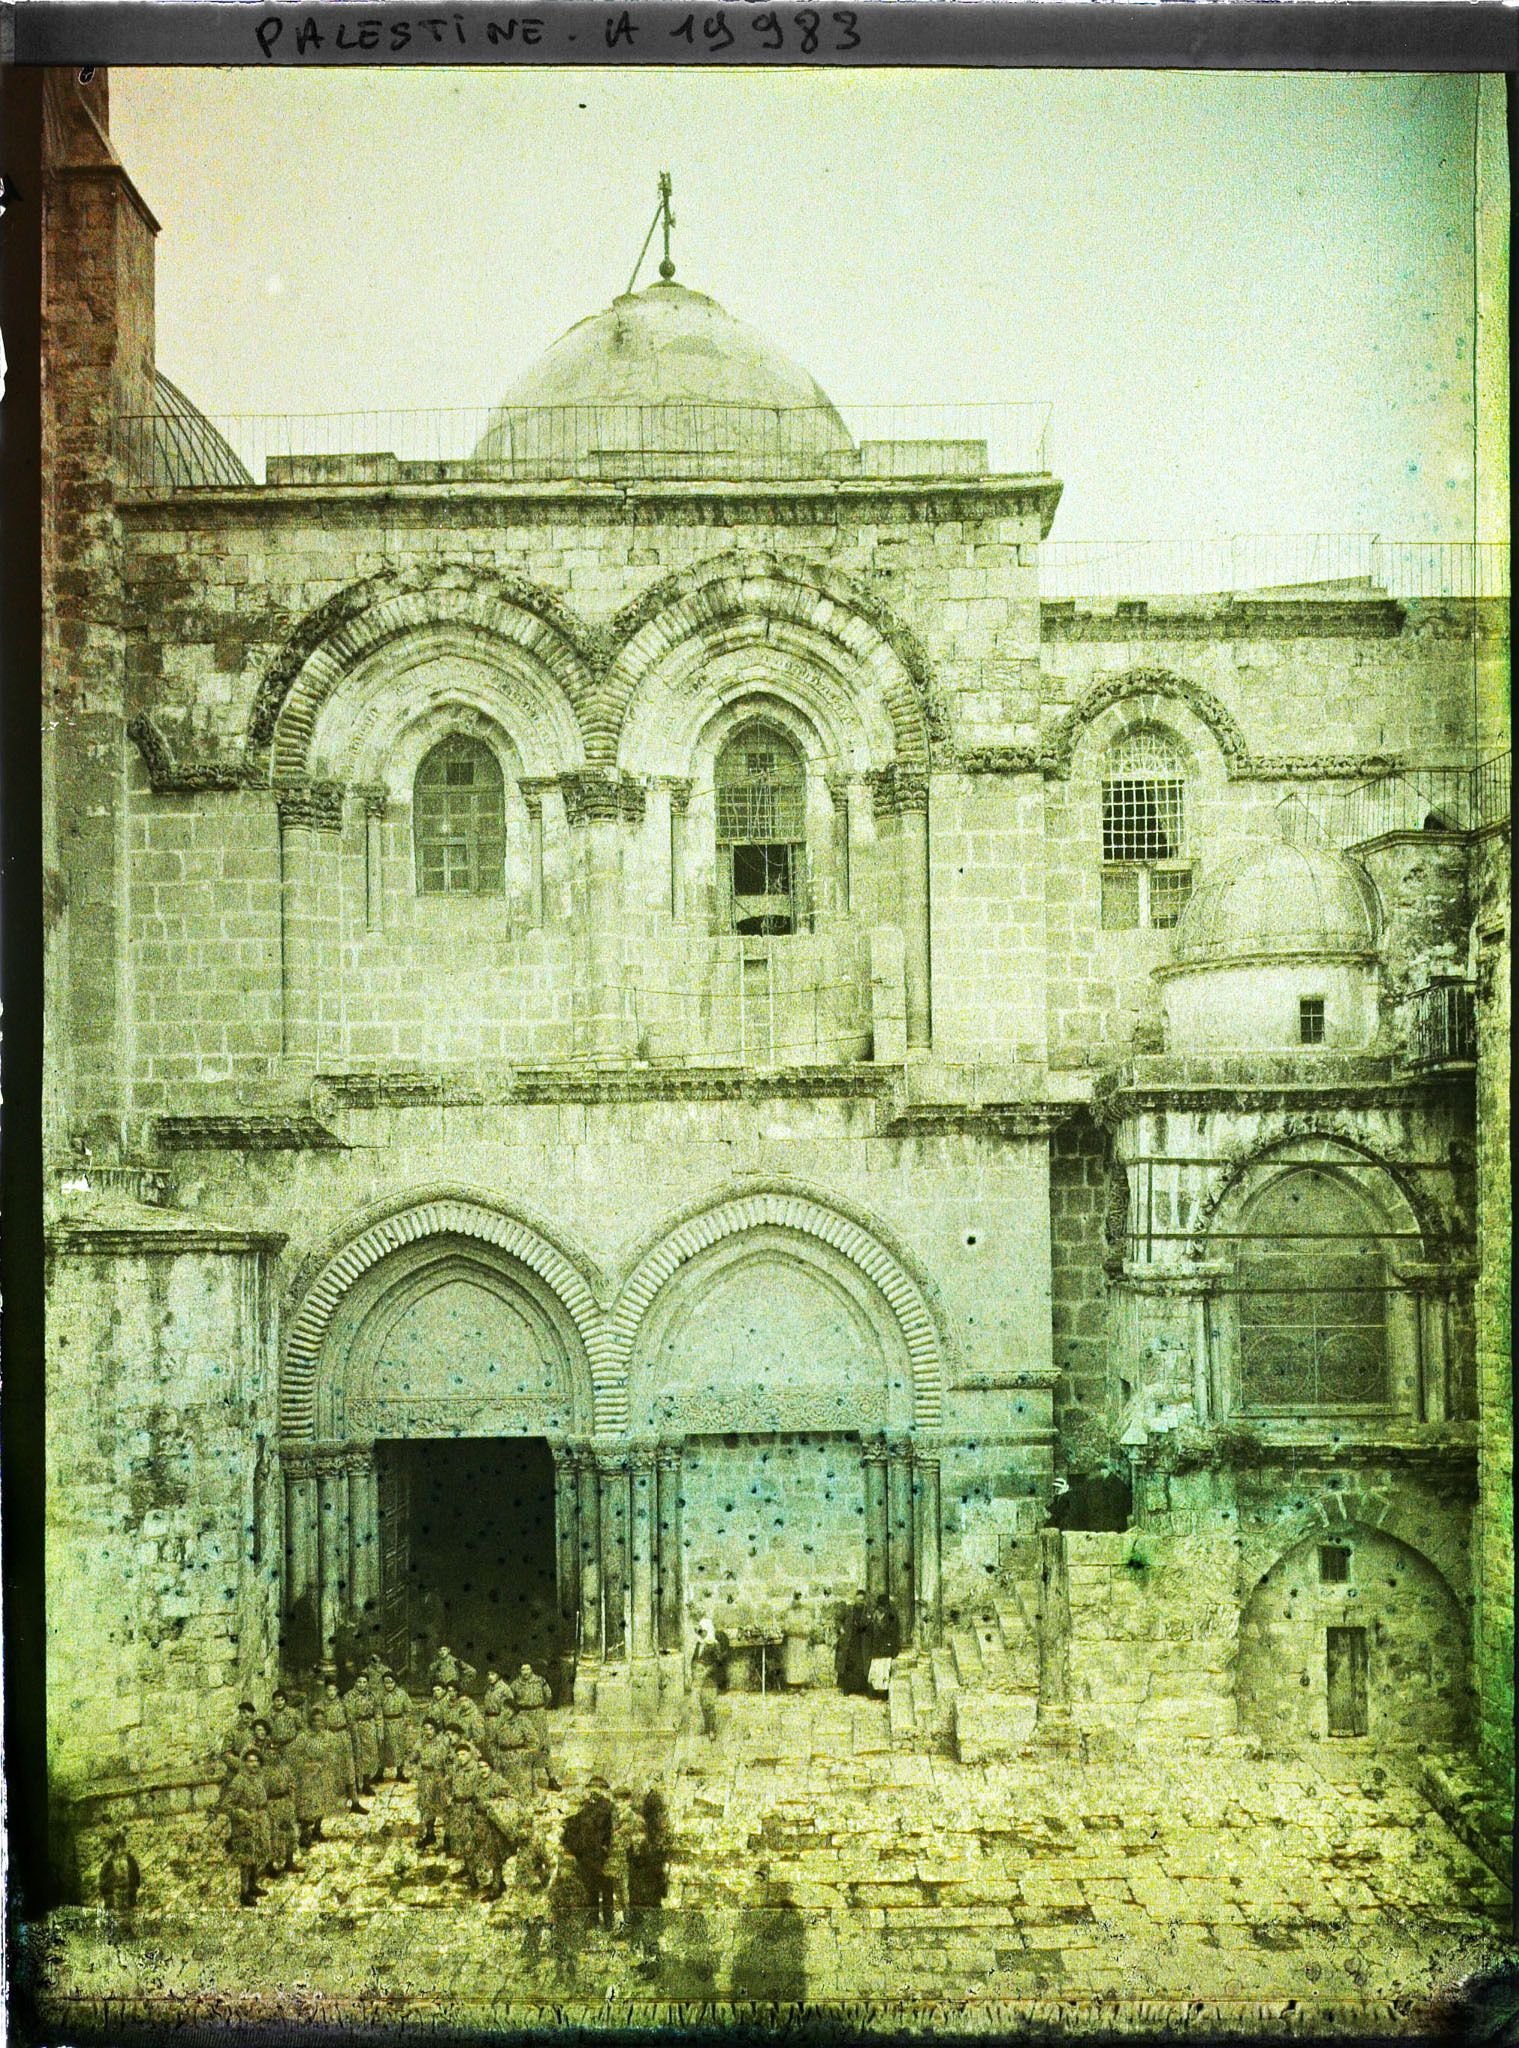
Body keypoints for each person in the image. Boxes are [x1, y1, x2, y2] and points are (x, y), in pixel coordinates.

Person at [626, 1786, 672, 1975]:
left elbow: (642, 1866)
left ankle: (651, 1962)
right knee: (650, 1928)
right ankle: (651, 1960)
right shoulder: (658, 1839)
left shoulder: (648, 1846)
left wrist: (632, 1854)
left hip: (642, 1892)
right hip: (648, 1893)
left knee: (645, 1928)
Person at [218, 1747, 271, 1908]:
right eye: (250, 1761)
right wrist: (240, 1814)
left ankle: (253, 1885)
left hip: (259, 1820)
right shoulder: (239, 1781)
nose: (253, 1764)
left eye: (256, 1761)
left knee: (258, 1853)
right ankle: (244, 1892)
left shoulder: (259, 1778)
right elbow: (226, 1805)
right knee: (246, 1859)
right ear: (245, 1763)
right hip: (245, 1824)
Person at [561, 1775, 615, 1930]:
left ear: (604, 1790)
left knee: (606, 1891)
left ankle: (609, 1923)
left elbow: (609, 1830)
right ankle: (593, 1921)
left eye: (598, 1787)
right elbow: (577, 1823)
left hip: (602, 1856)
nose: (595, 1790)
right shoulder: (586, 1808)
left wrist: (606, 1849)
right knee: (590, 1890)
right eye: (592, 1787)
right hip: (587, 1856)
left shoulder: (608, 1807)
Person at [254, 1722, 301, 1877]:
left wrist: (291, 1798)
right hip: (270, 1804)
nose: (272, 1756)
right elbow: (259, 1789)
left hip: (285, 1803)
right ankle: (270, 1864)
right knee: (272, 1836)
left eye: (275, 1753)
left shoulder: (285, 1769)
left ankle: (289, 1861)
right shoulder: (263, 1772)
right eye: (269, 1753)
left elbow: (293, 1783)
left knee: (289, 1833)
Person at [408, 1713, 451, 1849]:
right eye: (425, 1729)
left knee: (444, 1806)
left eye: (431, 1729)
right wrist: (416, 1771)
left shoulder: (443, 1742)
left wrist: (447, 1776)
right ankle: (430, 1834)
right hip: (425, 1778)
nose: (428, 1732)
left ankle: (448, 1837)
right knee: (426, 1807)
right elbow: (412, 1760)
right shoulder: (419, 1743)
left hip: (439, 1777)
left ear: (435, 1730)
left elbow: (449, 1760)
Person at [288, 1706, 329, 1846]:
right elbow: (293, 1755)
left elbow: (331, 1752)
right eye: (315, 1721)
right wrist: (308, 1765)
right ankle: (305, 1834)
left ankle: (317, 1829)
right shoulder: (303, 1737)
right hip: (307, 1776)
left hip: (322, 1773)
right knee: (308, 1805)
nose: (318, 1723)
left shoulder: (325, 1736)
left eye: (321, 1721)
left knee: (322, 1801)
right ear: (311, 1722)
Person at [607, 1784, 645, 1930]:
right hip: (616, 1862)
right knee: (618, 1892)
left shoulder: (633, 1819)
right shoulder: (616, 1818)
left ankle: (630, 1923)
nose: (619, 1804)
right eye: (617, 1801)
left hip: (628, 1862)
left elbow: (634, 1842)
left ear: (629, 1801)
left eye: (622, 1801)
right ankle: (622, 1924)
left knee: (626, 1892)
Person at [343, 1672, 382, 1792]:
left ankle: (366, 1783)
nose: (361, 1685)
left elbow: (378, 1714)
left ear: (368, 1683)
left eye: (364, 1682)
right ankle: (354, 1785)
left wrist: (379, 1731)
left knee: (369, 1756)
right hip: (354, 1728)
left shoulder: (372, 1696)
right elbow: (348, 1714)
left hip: (369, 1727)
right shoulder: (348, 1696)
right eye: (359, 1682)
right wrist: (352, 1729)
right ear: (355, 1682)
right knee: (355, 1755)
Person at [378, 1671, 414, 1779]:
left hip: (398, 1723)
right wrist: (379, 1724)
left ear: (395, 1682)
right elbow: (377, 1710)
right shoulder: (380, 1695)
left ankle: (400, 1772)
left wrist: (405, 1722)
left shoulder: (402, 1694)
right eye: (386, 1683)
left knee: (399, 1748)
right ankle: (380, 1772)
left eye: (391, 1682)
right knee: (383, 1748)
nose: (389, 1685)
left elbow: (409, 1709)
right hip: (384, 1723)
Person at [98, 1830, 141, 1916]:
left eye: (121, 1846)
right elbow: (103, 1884)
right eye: (116, 1847)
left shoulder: (130, 1860)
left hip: (128, 1894)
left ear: (124, 1846)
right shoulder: (108, 1863)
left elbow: (136, 1878)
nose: (119, 1850)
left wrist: (132, 1891)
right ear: (112, 1849)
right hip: (114, 1897)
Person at [835, 1590, 870, 1695]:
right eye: (858, 1600)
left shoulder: (867, 1611)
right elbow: (838, 1620)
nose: (860, 1602)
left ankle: (860, 1688)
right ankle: (846, 1688)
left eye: (862, 1600)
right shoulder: (848, 1609)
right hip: (849, 1640)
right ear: (855, 1599)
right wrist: (841, 1629)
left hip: (860, 1641)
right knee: (848, 1665)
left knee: (860, 1665)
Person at [781, 1591, 811, 1691]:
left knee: (802, 1662)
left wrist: (801, 1629)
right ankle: (792, 1685)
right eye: (795, 1599)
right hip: (792, 1641)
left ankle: (802, 1686)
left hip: (802, 1640)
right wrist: (792, 1629)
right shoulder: (789, 1613)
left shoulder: (806, 1613)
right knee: (792, 1662)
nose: (797, 1602)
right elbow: (785, 1626)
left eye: (799, 1599)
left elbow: (809, 1626)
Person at [868, 1592, 902, 1667]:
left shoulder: (892, 1615)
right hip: (878, 1647)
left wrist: (880, 1622)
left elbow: (890, 1632)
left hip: (888, 1647)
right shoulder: (876, 1613)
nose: (880, 1608)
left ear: (886, 1606)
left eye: (881, 1607)